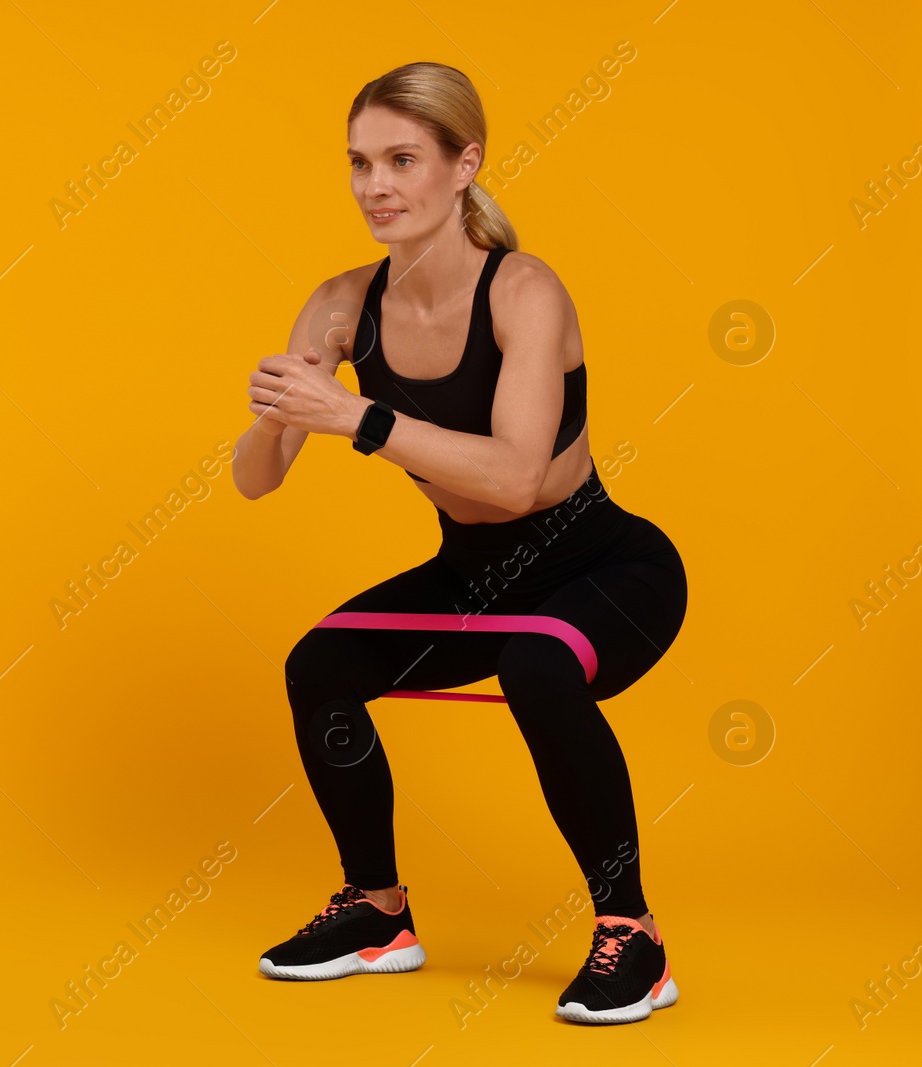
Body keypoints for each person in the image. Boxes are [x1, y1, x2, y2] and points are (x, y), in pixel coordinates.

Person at [230, 61, 687, 1025]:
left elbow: (519, 477)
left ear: (464, 163)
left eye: (402, 159)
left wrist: (352, 416)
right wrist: (279, 415)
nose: (375, 187)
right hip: (474, 576)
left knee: (535, 663)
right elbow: (253, 480)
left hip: (602, 562)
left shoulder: (524, 292)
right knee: (318, 665)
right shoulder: (340, 303)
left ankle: (633, 935)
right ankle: (376, 913)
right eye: (359, 163)